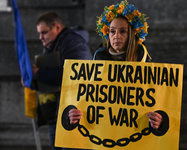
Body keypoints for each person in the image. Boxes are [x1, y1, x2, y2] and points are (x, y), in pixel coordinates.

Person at [68, 0, 162, 134]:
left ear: (132, 35)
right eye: (112, 31)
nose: (116, 36)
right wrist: (74, 114)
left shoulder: (147, 66)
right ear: (107, 33)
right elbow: (85, 100)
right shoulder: (95, 64)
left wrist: (159, 120)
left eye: (123, 31)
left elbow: (158, 103)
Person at [32, 12, 92, 150]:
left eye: (44, 32)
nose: (40, 37)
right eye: (39, 33)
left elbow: (76, 73)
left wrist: (39, 73)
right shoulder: (56, 44)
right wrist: (33, 80)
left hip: (69, 114)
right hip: (58, 114)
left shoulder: (72, 41)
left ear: (57, 27)